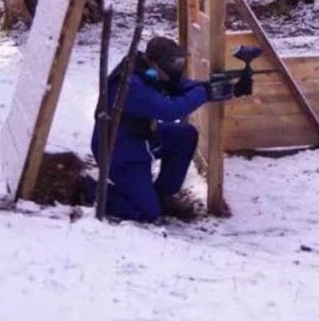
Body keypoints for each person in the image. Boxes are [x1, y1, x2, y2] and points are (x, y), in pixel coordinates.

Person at [85, 36, 238, 222]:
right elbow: (171, 110)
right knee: (147, 213)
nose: (176, 70)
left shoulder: (147, 69)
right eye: (173, 65)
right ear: (154, 62)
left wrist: (218, 87)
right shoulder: (131, 86)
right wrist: (205, 92)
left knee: (185, 136)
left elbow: (178, 86)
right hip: (119, 153)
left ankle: (163, 195)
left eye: (179, 64)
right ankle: (89, 190)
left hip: (141, 138)